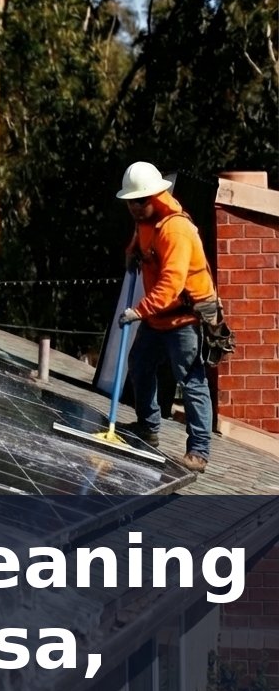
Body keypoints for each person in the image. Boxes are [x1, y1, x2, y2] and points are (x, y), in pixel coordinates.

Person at [115, 161, 216, 473]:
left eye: (138, 201)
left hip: (183, 318)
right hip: (159, 317)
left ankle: (198, 451)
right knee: (141, 364)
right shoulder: (145, 219)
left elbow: (171, 285)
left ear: (153, 197)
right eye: (130, 201)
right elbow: (140, 241)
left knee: (191, 380)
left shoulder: (176, 230)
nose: (132, 207)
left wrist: (138, 311)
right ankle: (148, 427)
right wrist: (131, 252)